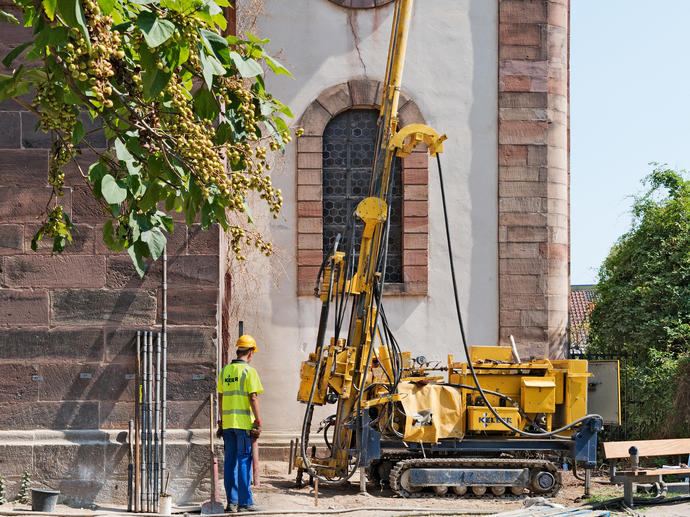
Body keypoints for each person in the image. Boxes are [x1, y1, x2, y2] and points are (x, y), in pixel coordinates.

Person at [217, 335, 264, 513]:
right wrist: (258, 422)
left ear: (238, 350)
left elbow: (221, 397)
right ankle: (245, 503)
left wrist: (221, 421)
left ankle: (232, 502)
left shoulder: (225, 371)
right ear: (250, 352)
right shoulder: (249, 372)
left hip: (228, 425)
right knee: (244, 460)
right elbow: (253, 397)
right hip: (243, 424)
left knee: (230, 462)